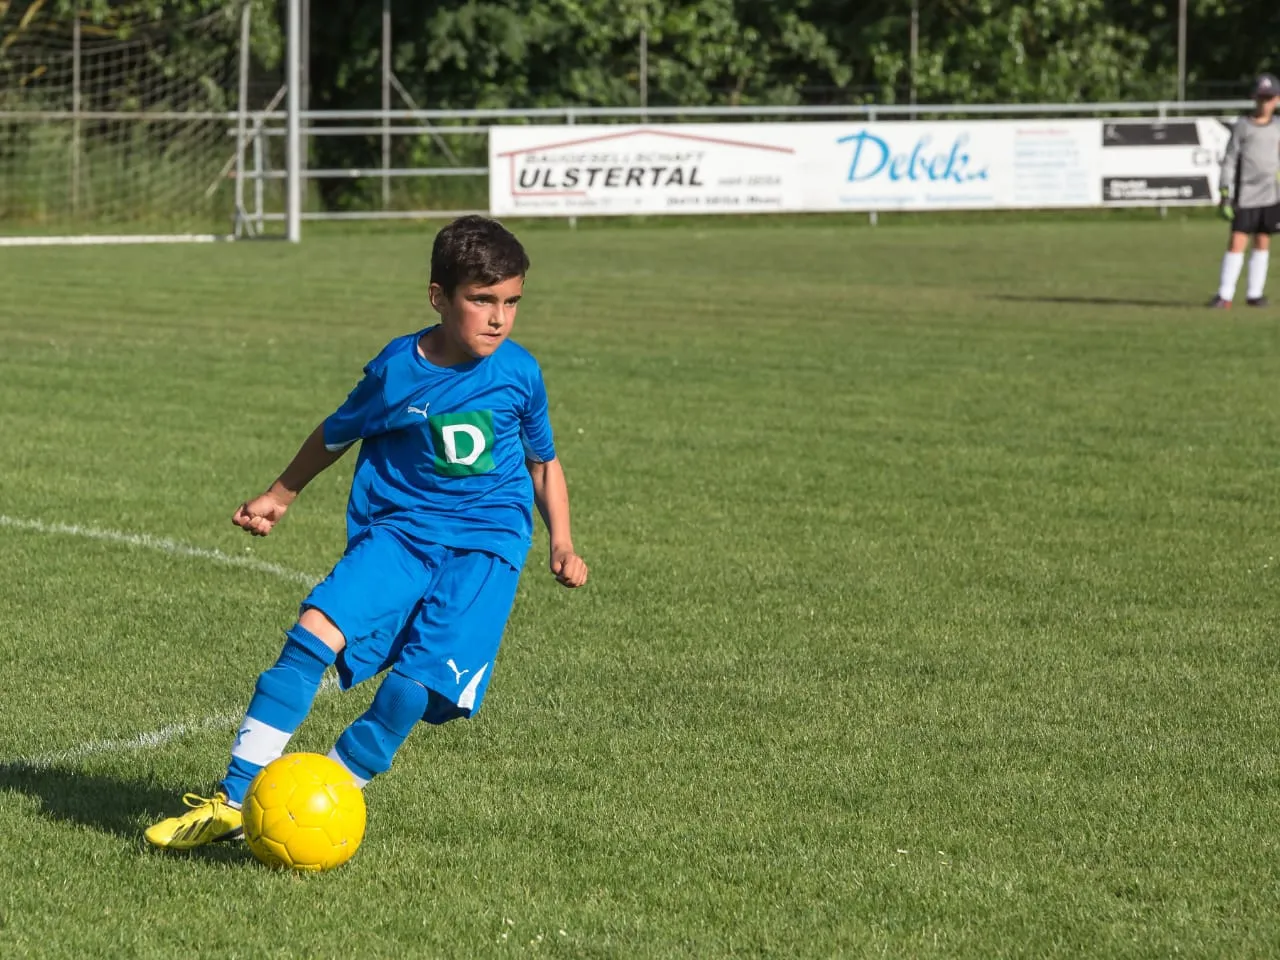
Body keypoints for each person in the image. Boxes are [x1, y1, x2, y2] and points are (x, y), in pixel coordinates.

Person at [145, 215, 589, 849]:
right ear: (438, 297)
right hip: (402, 533)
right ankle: (234, 801)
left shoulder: (519, 373)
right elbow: (337, 432)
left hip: (486, 546)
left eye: (512, 302)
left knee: (412, 688)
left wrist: (561, 542)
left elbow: (543, 463)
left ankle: (323, 796)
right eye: (482, 299)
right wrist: (280, 495)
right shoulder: (397, 371)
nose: (499, 318)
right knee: (311, 635)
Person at [1211, 73, 1280, 308]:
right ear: (1253, 98)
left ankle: (1254, 293)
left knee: (1262, 240)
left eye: (1269, 98)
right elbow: (1230, 160)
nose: (1264, 103)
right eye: (1261, 98)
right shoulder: (1242, 126)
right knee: (1237, 241)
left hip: (1271, 194)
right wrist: (1225, 192)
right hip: (1246, 194)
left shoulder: (1278, 126)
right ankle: (1225, 294)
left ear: (1277, 100)